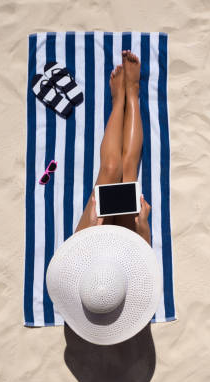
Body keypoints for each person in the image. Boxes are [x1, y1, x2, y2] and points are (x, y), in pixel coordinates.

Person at [75, 50, 151, 244]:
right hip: (124, 255)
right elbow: (146, 260)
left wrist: (91, 224)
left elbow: (73, 261)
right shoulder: (137, 275)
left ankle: (118, 102)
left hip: (90, 252)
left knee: (110, 167)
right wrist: (143, 226)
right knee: (126, 170)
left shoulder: (72, 273)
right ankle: (132, 93)